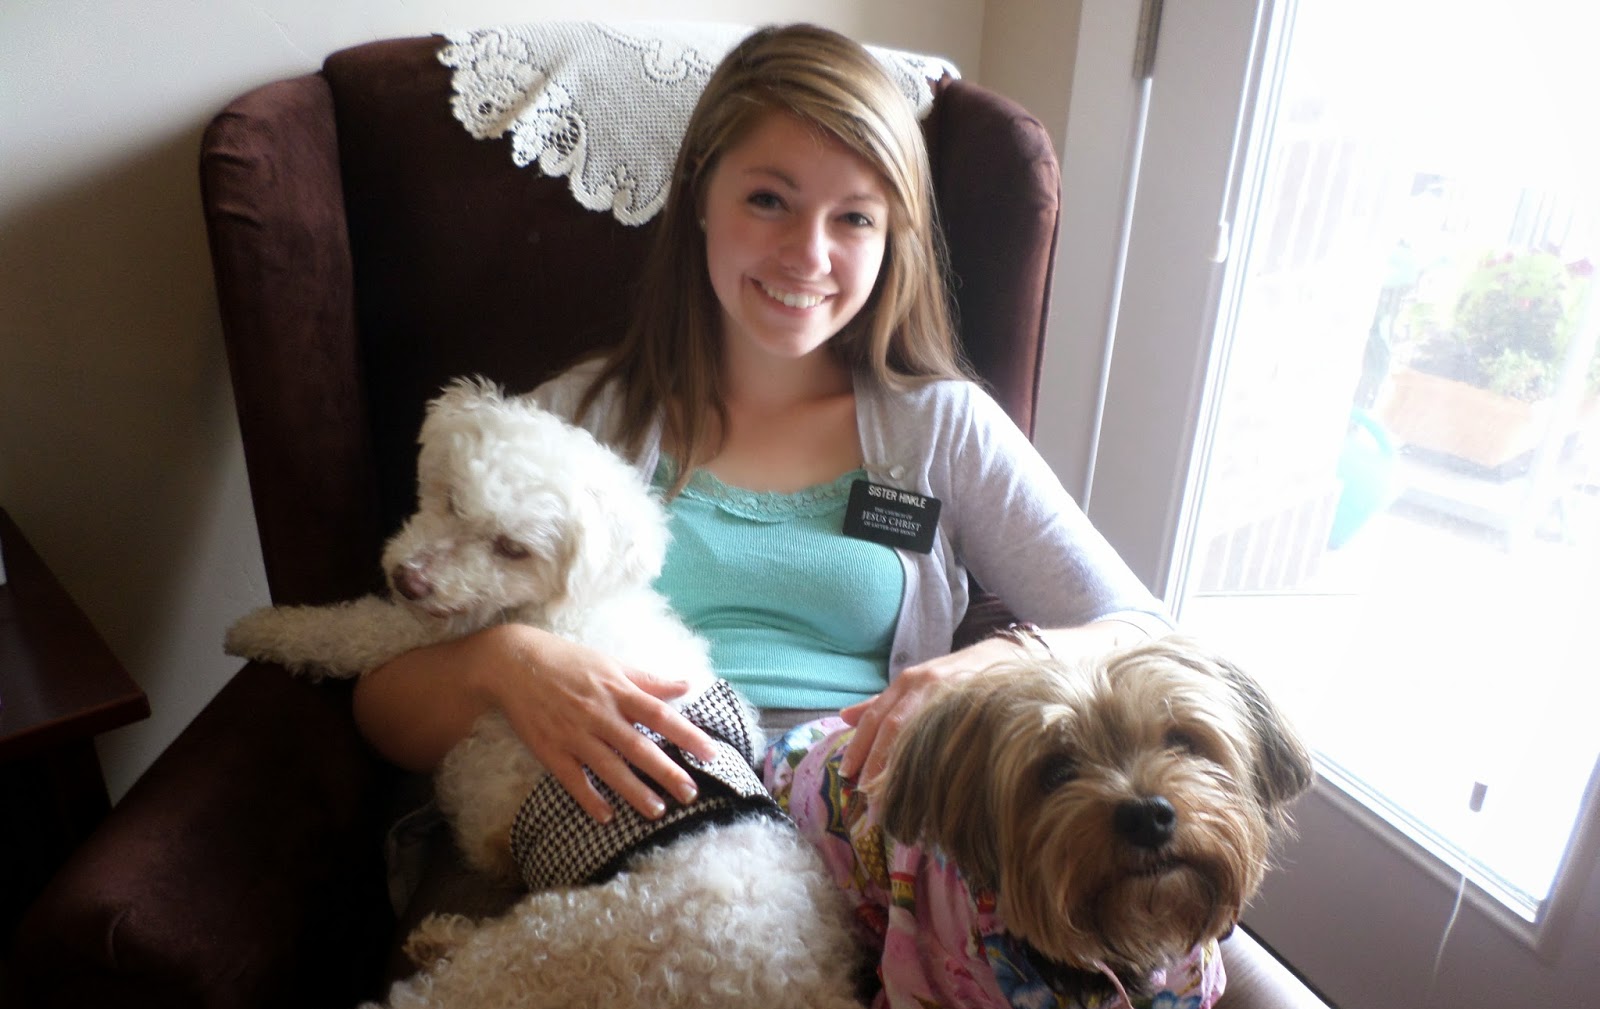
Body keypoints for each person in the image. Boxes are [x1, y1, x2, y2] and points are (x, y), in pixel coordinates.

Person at [353, 23, 1170, 833]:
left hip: (865, 846)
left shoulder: (940, 430)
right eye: (769, 200)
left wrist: (991, 666)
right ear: (700, 196)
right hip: (617, 836)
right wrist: (505, 665)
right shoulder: (578, 423)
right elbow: (382, 710)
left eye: (854, 219)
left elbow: (1144, 634)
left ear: (892, 238)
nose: (807, 256)